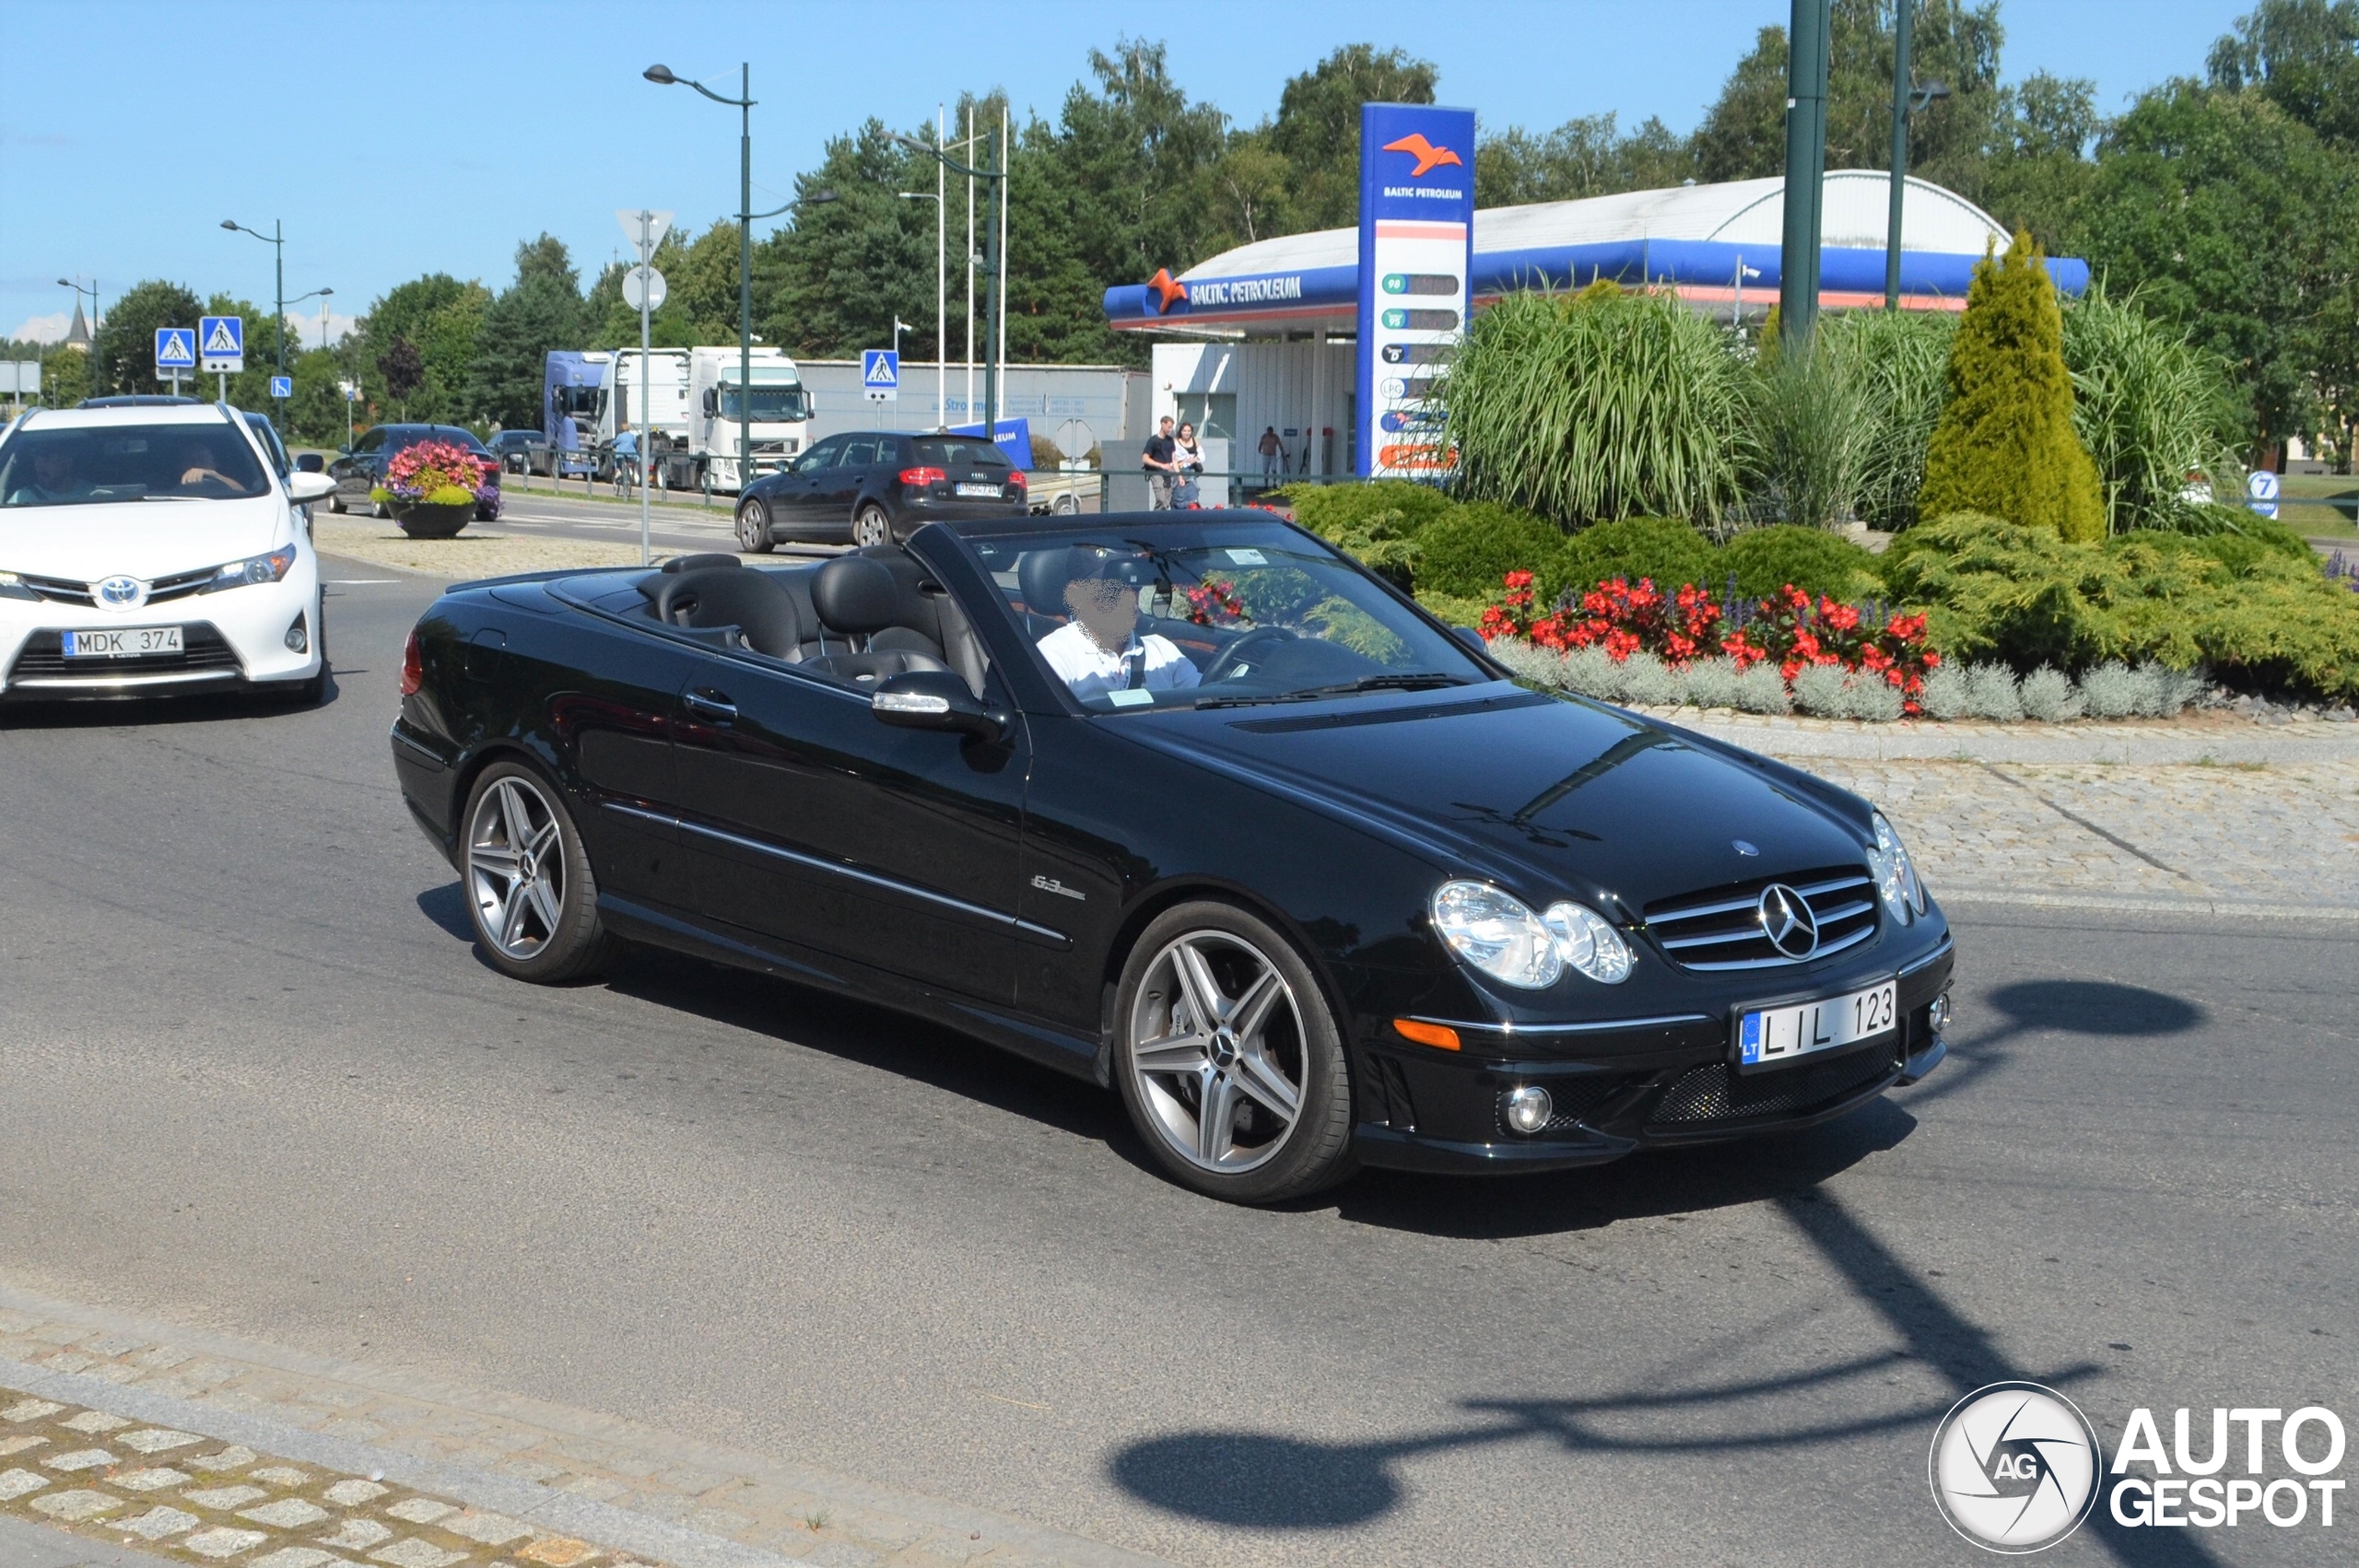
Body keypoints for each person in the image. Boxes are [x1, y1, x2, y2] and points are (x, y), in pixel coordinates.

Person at [1034, 546, 1203, 703]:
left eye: (1134, 585)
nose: (1128, 598)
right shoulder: (1056, 655)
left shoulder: (1163, 652)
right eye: (1113, 588)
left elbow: (1209, 702)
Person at [4, 442, 94, 505]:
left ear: (67, 461)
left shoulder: (93, 495)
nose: (38, 464)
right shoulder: (21, 498)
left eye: (46, 457)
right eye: (36, 457)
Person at [172, 439, 237, 492]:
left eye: (202, 459)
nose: (196, 464)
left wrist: (214, 475)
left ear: (215, 464)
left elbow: (242, 492)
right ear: (180, 465)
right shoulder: (165, 490)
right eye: (191, 460)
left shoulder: (226, 491)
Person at [1142, 415, 1177, 509]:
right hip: (1156, 472)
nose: (1170, 429)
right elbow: (1145, 458)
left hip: (1168, 473)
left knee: (1167, 500)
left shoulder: (1170, 441)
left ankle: (1161, 518)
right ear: (1162, 424)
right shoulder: (1153, 440)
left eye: (1171, 427)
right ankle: (1155, 518)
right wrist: (1162, 465)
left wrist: (1179, 474)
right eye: (1169, 427)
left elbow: (1174, 458)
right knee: (1161, 499)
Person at [1171, 422, 1203, 507]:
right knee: (1179, 499)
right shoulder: (1175, 442)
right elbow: (1173, 460)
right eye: (1185, 431)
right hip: (1179, 471)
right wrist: (1180, 473)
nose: (1187, 433)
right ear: (1181, 431)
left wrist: (1194, 459)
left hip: (1191, 472)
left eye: (1189, 431)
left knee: (1193, 498)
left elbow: (1202, 455)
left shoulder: (1194, 440)